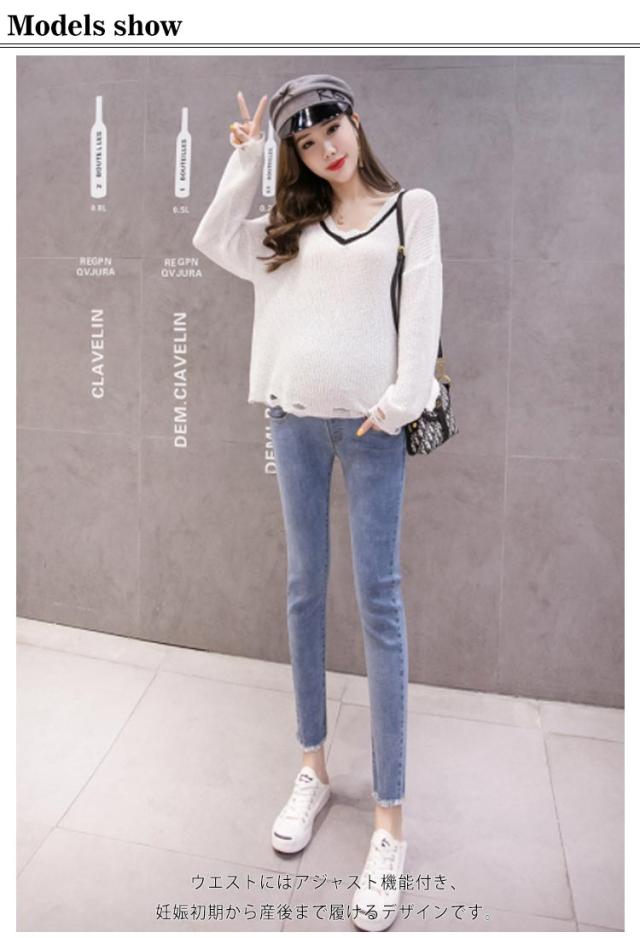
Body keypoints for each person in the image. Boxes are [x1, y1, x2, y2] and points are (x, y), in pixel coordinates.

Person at [192, 74, 443, 932]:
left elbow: (422, 314)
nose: (323, 149)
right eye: (304, 142)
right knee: (305, 591)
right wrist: (249, 159)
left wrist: (400, 403)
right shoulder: (288, 229)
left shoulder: (411, 210)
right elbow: (210, 236)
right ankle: (312, 770)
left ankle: (390, 823)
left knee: (380, 604)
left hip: (373, 432)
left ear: (354, 122)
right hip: (293, 421)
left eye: (329, 129)